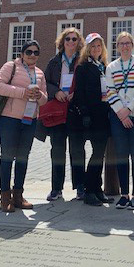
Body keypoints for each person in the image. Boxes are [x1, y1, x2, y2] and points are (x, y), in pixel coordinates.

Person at [0, 40, 47, 212]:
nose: (32, 55)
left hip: (29, 119)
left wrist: (39, 95)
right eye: (29, 52)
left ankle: (18, 195)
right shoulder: (11, 66)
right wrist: (23, 92)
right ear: (22, 54)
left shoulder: (39, 73)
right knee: (7, 156)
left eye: (36, 53)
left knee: (23, 157)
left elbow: (45, 99)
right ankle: (4, 197)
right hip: (9, 118)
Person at [106, 32, 134, 210]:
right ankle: (124, 194)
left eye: (128, 43)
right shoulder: (111, 67)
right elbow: (110, 91)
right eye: (121, 43)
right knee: (122, 154)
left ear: (133, 45)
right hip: (118, 117)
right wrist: (121, 113)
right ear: (117, 47)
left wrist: (129, 109)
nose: (125, 46)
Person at [43, 27, 85, 201]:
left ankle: (80, 187)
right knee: (58, 150)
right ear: (62, 42)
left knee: (77, 150)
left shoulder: (82, 61)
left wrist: (78, 92)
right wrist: (56, 92)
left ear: (78, 42)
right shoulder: (54, 62)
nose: (71, 42)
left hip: (75, 110)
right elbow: (45, 82)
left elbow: (88, 82)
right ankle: (56, 188)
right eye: (67, 39)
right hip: (58, 110)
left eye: (74, 39)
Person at [73, 33, 113, 206]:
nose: (96, 49)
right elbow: (79, 93)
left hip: (103, 114)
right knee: (96, 154)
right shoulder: (82, 67)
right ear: (87, 48)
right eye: (93, 46)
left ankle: (98, 189)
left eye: (99, 46)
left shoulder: (103, 66)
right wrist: (85, 113)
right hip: (91, 116)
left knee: (100, 154)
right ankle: (89, 191)